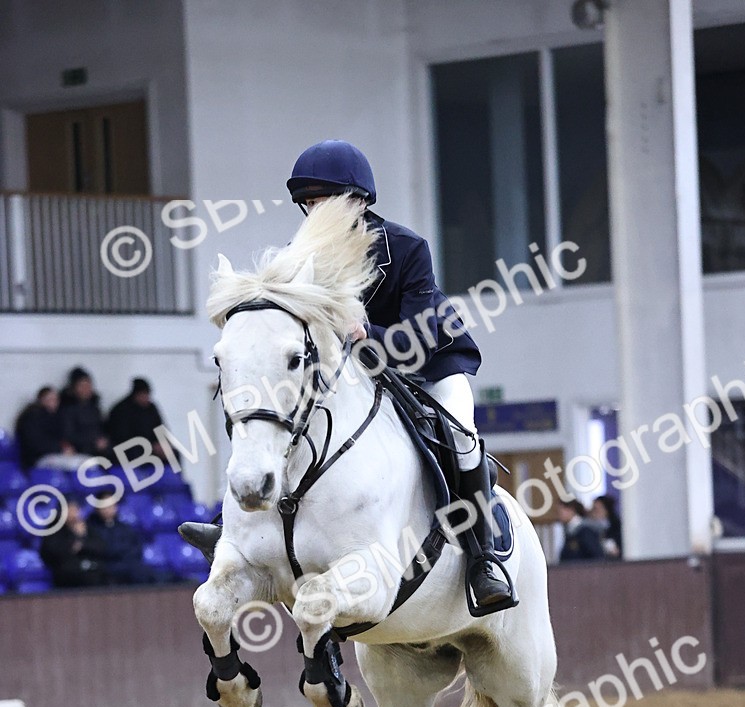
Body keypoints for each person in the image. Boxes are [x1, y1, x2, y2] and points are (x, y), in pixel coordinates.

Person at [187, 140, 513, 612]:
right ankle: (235, 530)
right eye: (310, 202)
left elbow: (421, 336)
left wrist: (365, 332)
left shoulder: (406, 248)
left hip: (428, 367)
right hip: (352, 376)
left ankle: (483, 558)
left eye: (326, 200)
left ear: (359, 201)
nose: (316, 212)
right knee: (277, 415)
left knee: (462, 437)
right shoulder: (296, 259)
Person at [39, 500, 105, 587]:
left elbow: (100, 547)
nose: (72, 514)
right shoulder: (53, 529)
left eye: (75, 510)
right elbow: (51, 553)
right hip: (65, 573)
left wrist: (81, 541)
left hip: (91, 571)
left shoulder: (86, 526)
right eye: (69, 510)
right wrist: (75, 540)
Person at [106, 377, 170, 465]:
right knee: (135, 454)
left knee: (171, 453)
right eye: (143, 394)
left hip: (150, 446)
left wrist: (162, 442)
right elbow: (121, 436)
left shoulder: (151, 408)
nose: (146, 398)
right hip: (130, 448)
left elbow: (160, 428)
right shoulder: (121, 410)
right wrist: (150, 445)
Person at [14, 386, 76, 469]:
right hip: (36, 459)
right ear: (41, 400)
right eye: (50, 399)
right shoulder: (32, 417)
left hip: (53, 454)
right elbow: (36, 443)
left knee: (86, 462)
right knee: (76, 465)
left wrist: (65, 447)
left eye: (56, 399)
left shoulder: (56, 417)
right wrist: (60, 449)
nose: (54, 402)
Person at [59, 368, 109, 458]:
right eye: (82, 386)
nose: (86, 389)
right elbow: (68, 435)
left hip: (100, 449)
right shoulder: (67, 409)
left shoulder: (94, 408)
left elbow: (103, 429)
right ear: (73, 388)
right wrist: (93, 442)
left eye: (88, 385)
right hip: (80, 451)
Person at [589, 493, 622, 558]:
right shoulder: (588, 528)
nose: (594, 513)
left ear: (606, 510)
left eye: (597, 509)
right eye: (593, 509)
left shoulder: (616, 527)